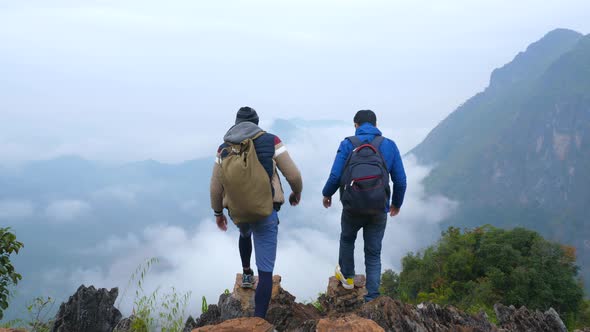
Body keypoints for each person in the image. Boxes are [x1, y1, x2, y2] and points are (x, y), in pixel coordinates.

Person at [210, 106, 303, 318]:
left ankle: (245, 274)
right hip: (266, 211)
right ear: (257, 123)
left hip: (238, 210)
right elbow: (294, 175)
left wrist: (218, 213)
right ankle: (259, 320)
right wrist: (296, 193)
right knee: (266, 271)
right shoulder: (271, 140)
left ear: (236, 122)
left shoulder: (224, 147)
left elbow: (215, 186)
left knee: (244, 233)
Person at [322, 110, 406, 302]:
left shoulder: (347, 144)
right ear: (376, 124)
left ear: (355, 125)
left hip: (352, 206)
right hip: (378, 208)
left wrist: (327, 194)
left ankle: (348, 279)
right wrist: (396, 204)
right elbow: (400, 180)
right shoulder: (389, 145)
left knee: (347, 239)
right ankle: (373, 298)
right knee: (373, 253)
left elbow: (335, 176)